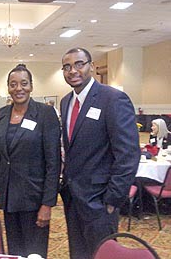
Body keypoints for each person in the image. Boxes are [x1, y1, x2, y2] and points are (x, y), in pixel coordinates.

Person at [59, 47, 140, 259]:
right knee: (78, 254)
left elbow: (128, 155)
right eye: (67, 67)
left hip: (101, 202)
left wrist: (112, 200)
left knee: (103, 255)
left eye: (79, 64)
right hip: (73, 200)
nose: (73, 71)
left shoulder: (113, 99)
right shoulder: (66, 102)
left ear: (92, 67)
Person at [0, 64, 61, 258]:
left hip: (34, 200)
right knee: (14, 252)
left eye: (24, 83)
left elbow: (53, 162)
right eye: (13, 84)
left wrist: (48, 204)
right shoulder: (2, 114)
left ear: (31, 86)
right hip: (8, 198)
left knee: (34, 254)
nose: (19, 88)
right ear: (8, 87)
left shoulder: (45, 114)